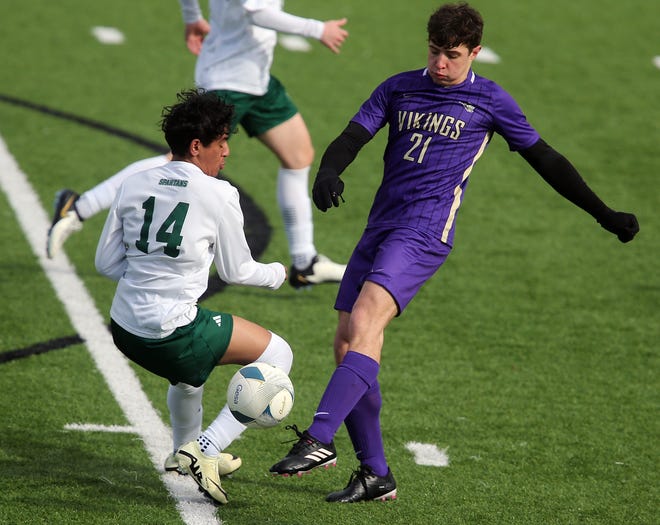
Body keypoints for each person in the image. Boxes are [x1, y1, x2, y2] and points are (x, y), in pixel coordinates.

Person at [268, 2, 640, 503]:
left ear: (474, 53)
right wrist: (330, 171)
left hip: (424, 231)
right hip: (380, 226)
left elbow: (546, 159)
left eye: (453, 54)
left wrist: (604, 214)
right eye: (435, 51)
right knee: (347, 345)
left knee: (365, 322)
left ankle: (319, 439)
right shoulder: (398, 86)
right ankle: (376, 474)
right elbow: (353, 135)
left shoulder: (489, 100)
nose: (441, 63)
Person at [49, 0, 350, 289]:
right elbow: (256, 10)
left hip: (255, 76)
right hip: (230, 80)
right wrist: (317, 29)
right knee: (176, 161)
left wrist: (191, 14)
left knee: (298, 155)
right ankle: (79, 206)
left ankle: (304, 262)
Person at [95, 88, 294, 505]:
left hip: (125, 329)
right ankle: (203, 448)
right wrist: (278, 273)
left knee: (188, 379)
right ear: (196, 146)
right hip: (171, 333)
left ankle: (179, 453)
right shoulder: (218, 194)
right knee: (278, 355)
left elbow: (105, 264)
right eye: (221, 142)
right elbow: (238, 271)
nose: (227, 153)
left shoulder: (133, 184)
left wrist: (147, 275)